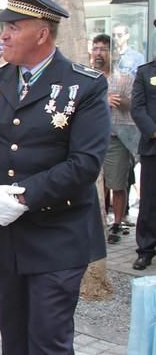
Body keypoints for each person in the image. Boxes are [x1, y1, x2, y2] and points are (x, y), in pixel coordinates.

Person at [0, 0, 110, 354]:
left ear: (42, 32)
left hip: (57, 236)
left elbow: (85, 163)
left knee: (48, 342)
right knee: (13, 336)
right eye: (3, 26)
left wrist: (25, 196)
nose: (3, 35)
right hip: (2, 238)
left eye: (13, 26)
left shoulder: (84, 86)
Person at [90, 34, 136, 244]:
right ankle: (98, 221)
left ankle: (116, 223)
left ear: (112, 53)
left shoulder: (123, 77)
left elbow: (134, 105)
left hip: (116, 138)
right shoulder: (86, 76)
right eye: (96, 48)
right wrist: (103, 99)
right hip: (91, 138)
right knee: (97, 184)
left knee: (117, 183)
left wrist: (120, 101)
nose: (99, 53)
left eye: (103, 49)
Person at [130, 51, 156, 270]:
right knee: (149, 202)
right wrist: (154, 132)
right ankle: (146, 250)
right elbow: (137, 108)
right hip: (153, 147)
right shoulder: (145, 72)